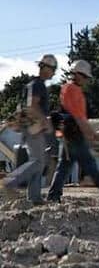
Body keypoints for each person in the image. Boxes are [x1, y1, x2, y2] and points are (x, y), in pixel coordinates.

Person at [47, 60, 99, 203]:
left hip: (68, 135)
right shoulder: (73, 91)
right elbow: (79, 118)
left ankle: (53, 197)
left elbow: (78, 117)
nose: (86, 80)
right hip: (74, 136)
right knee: (90, 166)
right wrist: (94, 135)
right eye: (85, 77)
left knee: (63, 168)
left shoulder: (68, 88)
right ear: (78, 75)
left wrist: (90, 135)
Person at [1, 54, 58, 204]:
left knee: (38, 162)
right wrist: (45, 122)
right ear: (45, 68)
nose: (54, 73)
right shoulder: (37, 85)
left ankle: (35, 197)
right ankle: (10, 182)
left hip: (29, 126)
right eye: (53, 69)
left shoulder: (31, 84)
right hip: (34, 127)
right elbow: (32, 105)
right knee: (37, 162)